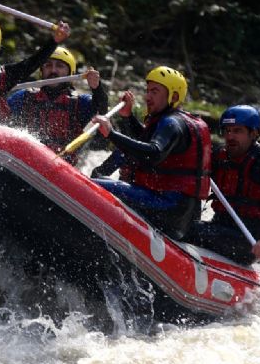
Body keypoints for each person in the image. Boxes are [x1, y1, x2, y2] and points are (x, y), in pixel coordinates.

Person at [90, 66, 211, 239]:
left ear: (174, 97)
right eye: (147, 91)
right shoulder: (175, 120)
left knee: (95, 186)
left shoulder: (172, 123)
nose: (147, 97)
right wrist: (128, 117)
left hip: (169, 208)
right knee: (102, 180)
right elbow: (143, 142)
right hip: (181, 211)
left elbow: (152, 154)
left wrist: (111, 134)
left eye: (155, 91)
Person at [184, 105, 260, 265]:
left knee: (186, 229)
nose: (230, 136)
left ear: (254, 133)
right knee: (183, 221)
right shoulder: (220, 156)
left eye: (237, 131)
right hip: (220, 226)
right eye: (227, 131)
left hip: (248, 241)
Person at [7, 47, 108, 161]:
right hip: (25, 159)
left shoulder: (80, 103)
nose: (53, 71)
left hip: (59, 163)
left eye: (60, 66)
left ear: (70, 72)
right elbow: (0, 115)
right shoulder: (24, 96)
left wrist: (97, 88)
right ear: (41, 71)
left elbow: (102, 110)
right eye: (48, 65)